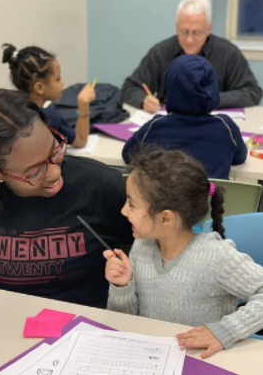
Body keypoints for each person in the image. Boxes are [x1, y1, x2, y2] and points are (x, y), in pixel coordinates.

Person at [0, 89, 133, 309]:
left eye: (55, 151)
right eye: (34, 172)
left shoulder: (101, 184)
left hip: (92, 326)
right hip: (8, 325)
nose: (54, 173)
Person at [104, 148, 263, 358]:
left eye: (132, 204)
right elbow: (126, 322)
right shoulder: (142, 246)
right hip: (150, 357)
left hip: (201, 360)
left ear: (166, 218)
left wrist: (225, 331)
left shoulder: (216, 256)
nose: (124, 211)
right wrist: (122, 286)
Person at [122, 0, 262, 113]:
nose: (189, 39)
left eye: (196, 32)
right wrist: (143, 100)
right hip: (171, 123)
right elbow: (130, 87)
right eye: (184, 31)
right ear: (177, 27)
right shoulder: (161, 52)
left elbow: (252, 92)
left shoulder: (228, 53)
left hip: (212, 123)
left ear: (208, 29)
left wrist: (209, 99)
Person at [122, 54, 247, 179]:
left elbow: (127, 155)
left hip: (163, 198)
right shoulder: (226, 127)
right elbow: (240, 158)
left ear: (170, 87)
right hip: (210, 198)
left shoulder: (156, 126)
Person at [2, 44, 95, 148]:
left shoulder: (8, 112)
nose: (63, 83)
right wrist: (83, 103)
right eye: (58, 78)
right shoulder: (49, 117)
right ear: (39, 88)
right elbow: (81, 141)